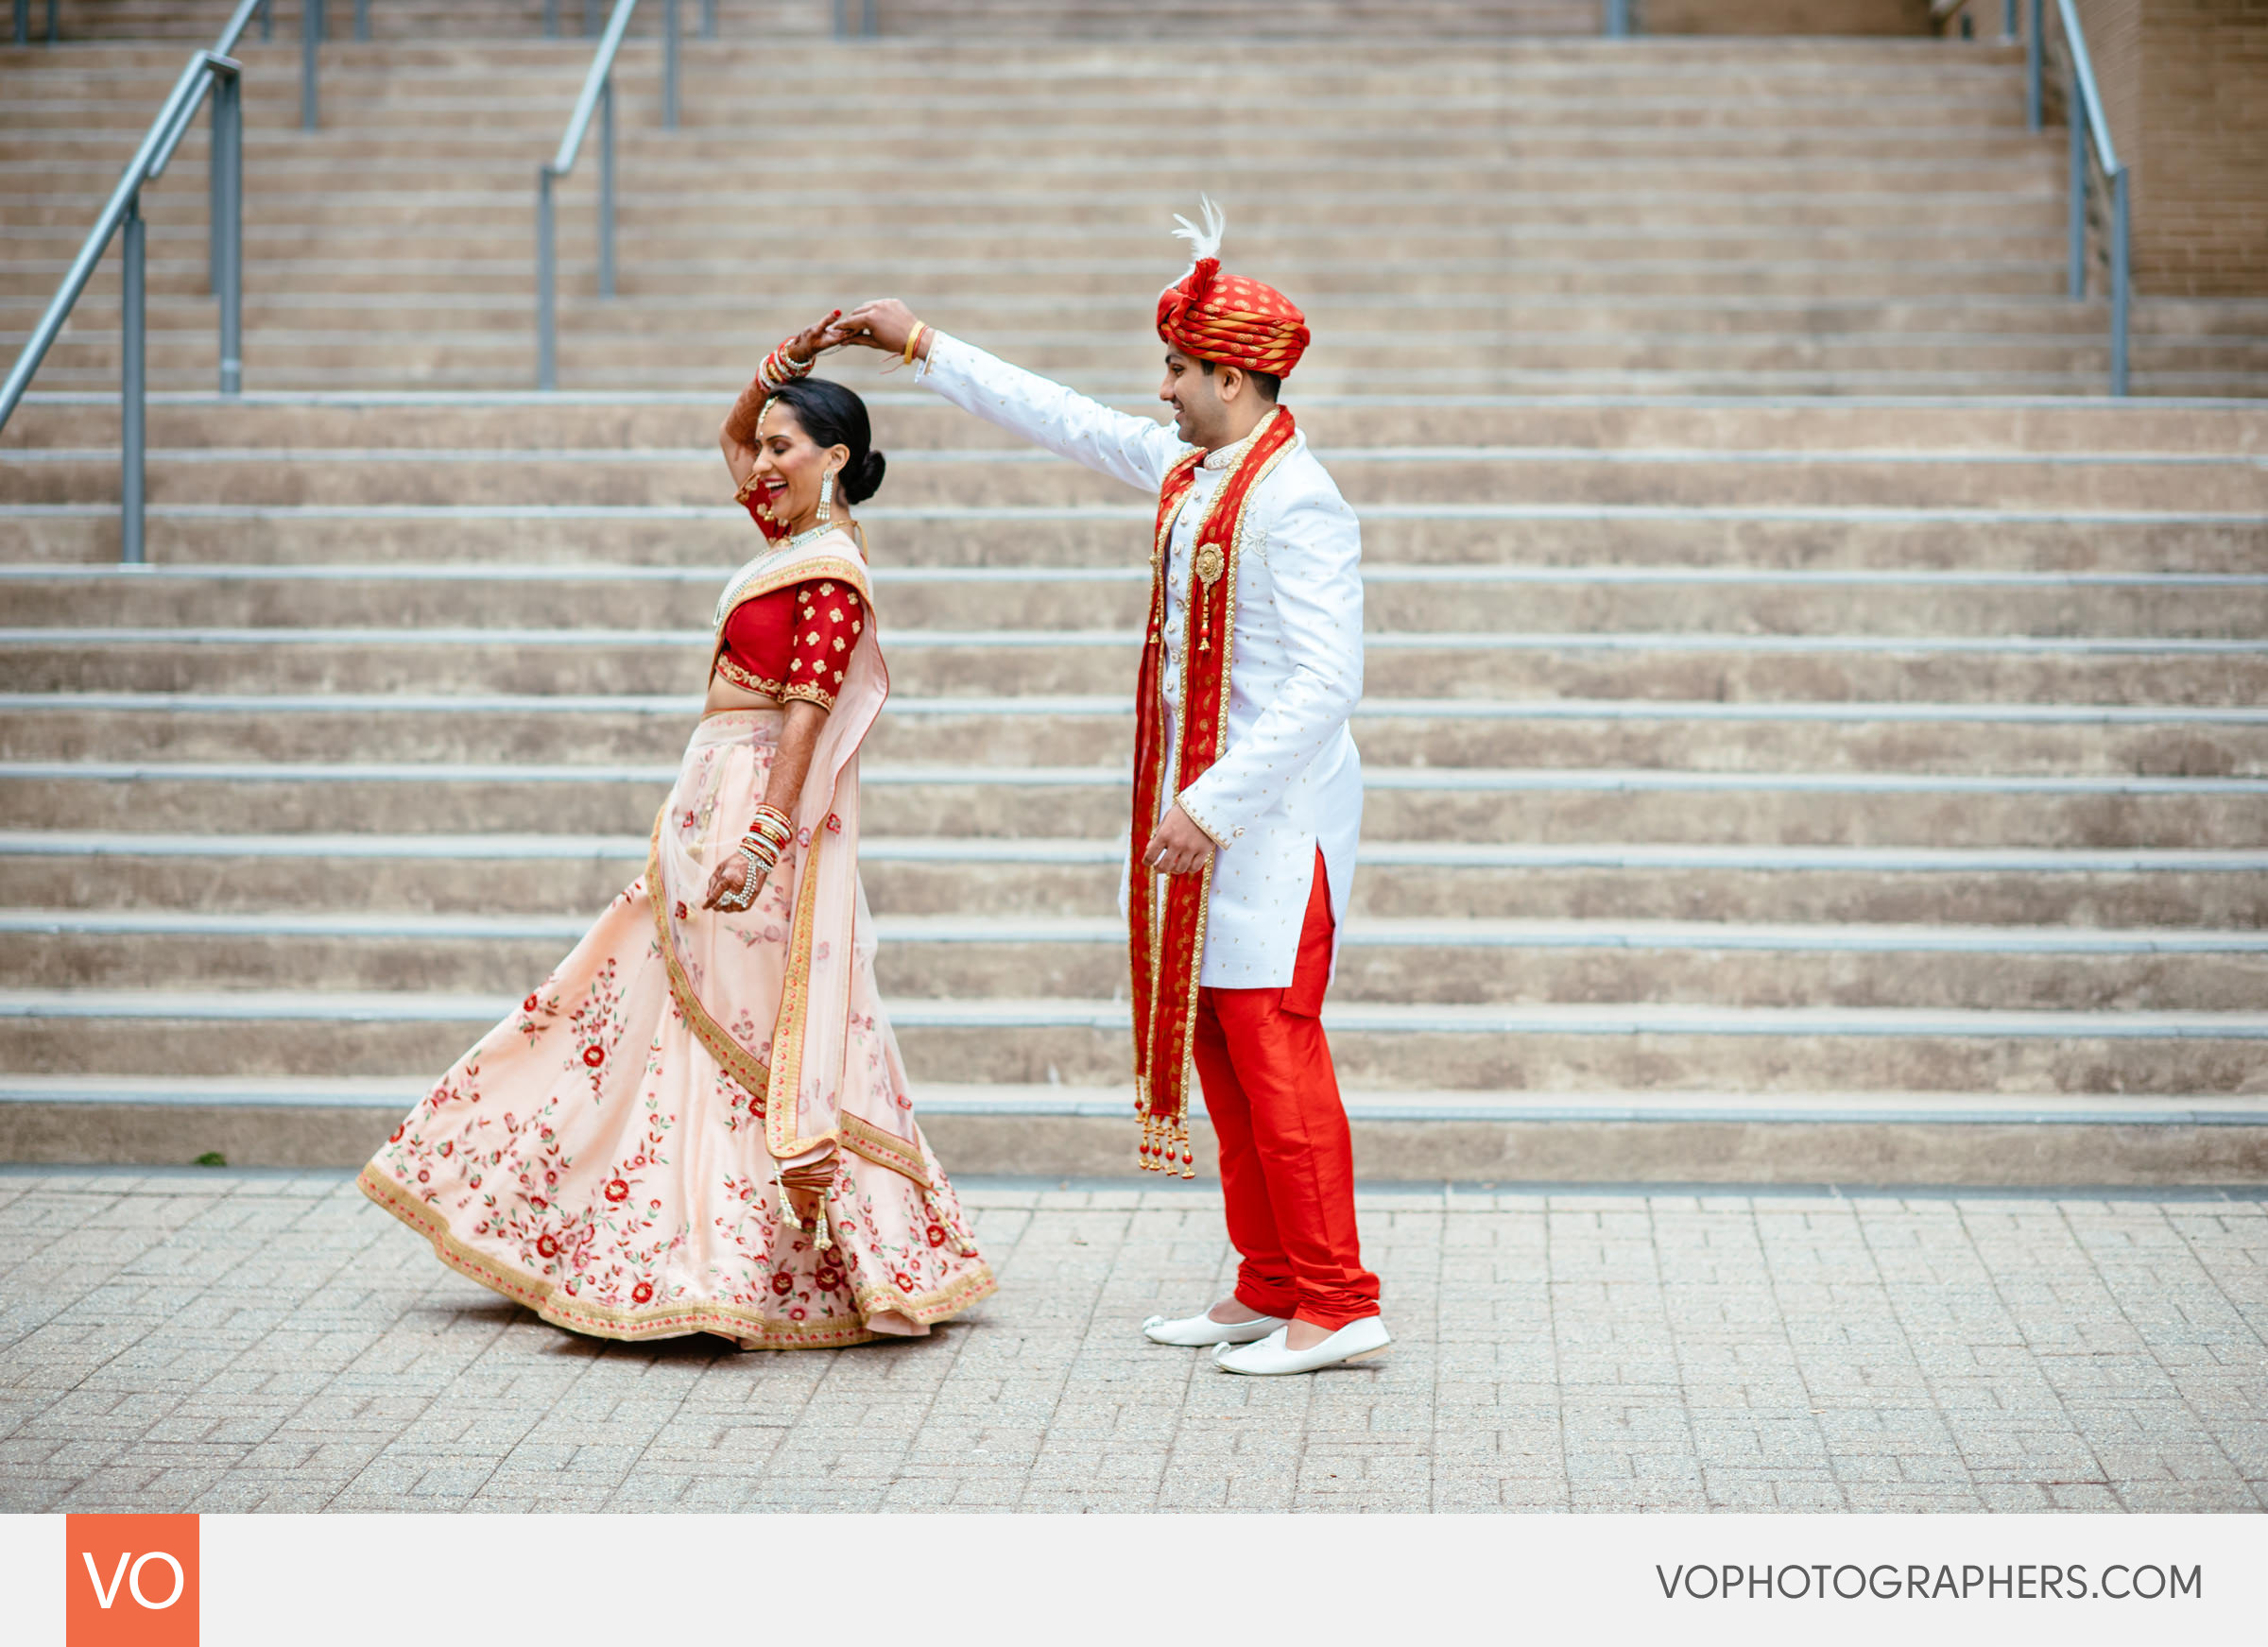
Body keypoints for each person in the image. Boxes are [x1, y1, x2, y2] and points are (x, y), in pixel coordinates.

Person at [357, 315, 995, 1349]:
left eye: (790, 446)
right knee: (632, 1003)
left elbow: (809, 713)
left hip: (753, 805)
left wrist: (762, 838)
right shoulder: (789, 543)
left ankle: (716, 1260)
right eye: (773, 444)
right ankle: (608, 1234)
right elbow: (728, 441)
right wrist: (775, 373)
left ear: (835, 458)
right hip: (705, 796)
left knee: (730, 1026)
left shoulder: (830, 572)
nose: (765, 462)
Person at [830, 202, 1385, 1376]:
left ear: (1235, 378)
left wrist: (1213, 804)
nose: (1165, 391)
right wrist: (927, 346)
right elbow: (1071, 424)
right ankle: (1269, 1281)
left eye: (1180, 372)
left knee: (1275, 1055)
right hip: (1214, 819)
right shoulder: (1200, 470)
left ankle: (1339, 1302)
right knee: (1227, 1061)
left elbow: (1331, 680)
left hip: (1271, 825)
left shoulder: (1297, 498)